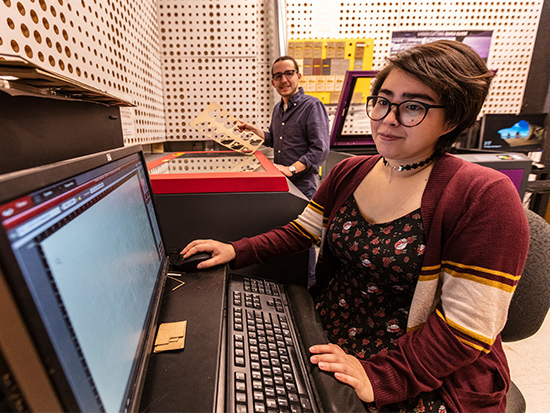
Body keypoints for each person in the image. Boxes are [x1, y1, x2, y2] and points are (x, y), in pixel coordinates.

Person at [182, 40, 529, 412]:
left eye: (413, 107)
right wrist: (237, 249)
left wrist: (379, 378)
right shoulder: (350, 171)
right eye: (382, 100)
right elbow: (302, 231)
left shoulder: (482, 196)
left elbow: (465, 329)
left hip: (415, 367)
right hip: (330, 330)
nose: (388, 118)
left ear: (454, 119)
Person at [236, 55, 330, 200]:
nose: (284, 80)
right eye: (278, 76)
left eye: (289, 73)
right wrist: (252, 129)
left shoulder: (312, 106)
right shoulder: (277, 109)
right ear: (273, 82)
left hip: (302, 188)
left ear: (298, 76)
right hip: (281, 184)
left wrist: (291, 169)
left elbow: (320, 149)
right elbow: (274, 140)